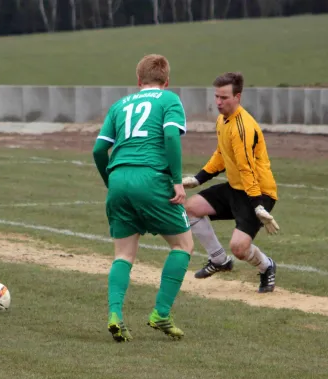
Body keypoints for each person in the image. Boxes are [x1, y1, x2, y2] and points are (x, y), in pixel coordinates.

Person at [93, 54, 194, 342]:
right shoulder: (169, 100)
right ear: (167, 81)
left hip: (119, 180)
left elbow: (98, 151)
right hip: (151, 178)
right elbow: (171, 137)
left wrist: (109, 181)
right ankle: (161, 313)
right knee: (183, 245)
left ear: (138, 80)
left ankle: (115, 315)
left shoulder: (119, 105)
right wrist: (176, 181)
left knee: (123, 254)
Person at [182, 72, 279, 293]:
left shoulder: (242, 128)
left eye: (224, 97)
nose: (218, 102)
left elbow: (247, 169)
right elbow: (221, 155)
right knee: (191, 208)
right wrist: (198, 178)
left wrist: (257, 206)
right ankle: (218, 260)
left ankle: (267, 266)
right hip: (236, 187)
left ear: (238, 97)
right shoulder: (222, 120)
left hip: (258, 192)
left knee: (239, 248)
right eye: (216, 96)